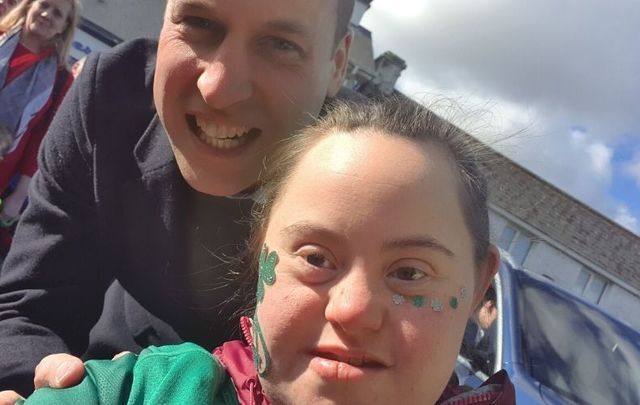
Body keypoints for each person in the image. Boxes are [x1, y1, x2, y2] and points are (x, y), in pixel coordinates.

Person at [20, 99, 515, 404]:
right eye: (317, 258)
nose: (353, 310)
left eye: (409, 272)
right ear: (261, 256)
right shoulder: (147, 393)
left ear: (477, 286)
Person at [0, 0, 355, 396]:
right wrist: (50, 385)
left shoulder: (375, 186)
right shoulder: (113, 95)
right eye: (198, 22)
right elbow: (30, 303)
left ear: (337, 64)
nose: (218, 89)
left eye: (280, 44)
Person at [0, 0, 78, 232]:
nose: (46, 14)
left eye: (57, 14)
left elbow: (40, 139)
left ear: (64, 26)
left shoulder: (60, 78)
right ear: (28, 5)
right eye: (43, 5)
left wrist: (20, 193)